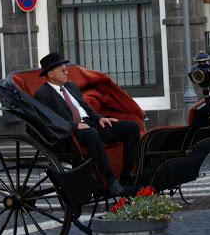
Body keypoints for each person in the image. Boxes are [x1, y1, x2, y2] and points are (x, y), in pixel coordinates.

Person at [34, 53, 139, 196]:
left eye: (66, 69)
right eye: (63, 70)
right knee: (91, 133)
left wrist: (99, 118)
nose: (67, 72)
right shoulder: (43, 94)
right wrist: (75, 126)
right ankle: (110, 179)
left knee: (131, 127)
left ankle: (127, 175)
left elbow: (85, 108)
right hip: (70, 131)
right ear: (51, 74)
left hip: (91, 123)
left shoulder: (70, 86)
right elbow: (51, 121)